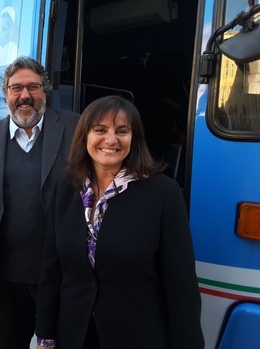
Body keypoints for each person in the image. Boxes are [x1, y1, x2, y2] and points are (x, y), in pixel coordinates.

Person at [35, 95, 204, 349]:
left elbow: (182, 286)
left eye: (122, 131)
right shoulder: (66, 188)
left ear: (133, 139)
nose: (111, 140)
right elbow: (52, 269)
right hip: (74, 335)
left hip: (137, 337)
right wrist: (46, 336)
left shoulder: (163, 194)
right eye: (100, 130)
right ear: (85, 137)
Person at [0, 57, 80, 349]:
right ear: (6, 94)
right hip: (3, 276)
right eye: (16, 88)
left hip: (58, 276)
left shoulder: (75, 129)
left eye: (33, 87)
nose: (25, 96)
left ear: (44, 91)